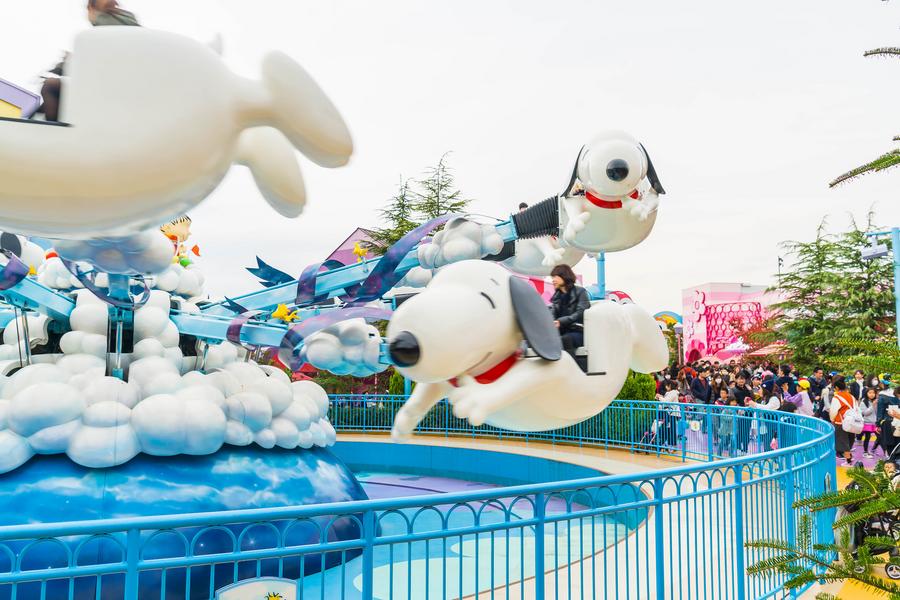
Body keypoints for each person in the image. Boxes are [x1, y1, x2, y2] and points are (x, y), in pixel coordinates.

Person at [39, 1, 140, 122]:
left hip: (107, 88)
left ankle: (53, 133)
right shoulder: (128, 20)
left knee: (49, 86)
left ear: (92, 9)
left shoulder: (103, 24)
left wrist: (64, 64)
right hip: (124, 85)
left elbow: (93, 62)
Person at [549, 264, 590, 360]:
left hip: (577, 331)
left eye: (555, 276)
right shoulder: (556, 297)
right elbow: (552, 314)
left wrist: (561, 321)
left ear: (564, 276)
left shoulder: (580, 292)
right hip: (561, 331)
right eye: (552, 277)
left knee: (565, 339)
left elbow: (581, 312)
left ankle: (572, 369)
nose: (553, 280)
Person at [829, 377, 856, 466]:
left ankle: (849, 462)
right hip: (852, 422)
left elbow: (833, 411)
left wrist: (832, 420)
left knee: (843, 443)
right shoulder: (851, 396)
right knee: (849, 440)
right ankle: (849, 459)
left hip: (841, 422)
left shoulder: (837, 397)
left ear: (836, 387)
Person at [860, 387, 880, 459]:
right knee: (867, 437)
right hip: (867, 422)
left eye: (873, 393)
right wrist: (872, 405)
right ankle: (865, 452)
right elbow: (865, 413)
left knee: (880, 437)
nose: (871, 394)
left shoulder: (878, 401)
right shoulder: (863, 401)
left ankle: (874, 449)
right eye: (870, 393)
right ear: (866, 393)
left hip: (876, 423)